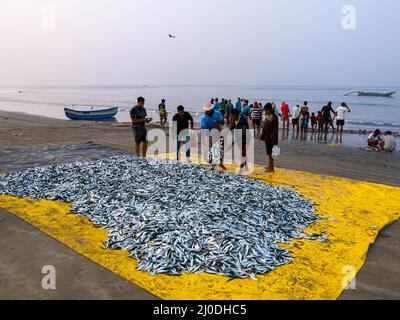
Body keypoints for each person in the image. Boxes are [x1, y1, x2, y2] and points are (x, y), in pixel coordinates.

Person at [200, 102, 227, 170]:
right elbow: (203, 128)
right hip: (210, 134)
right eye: (207, 111)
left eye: (210, 110)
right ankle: (212, 164)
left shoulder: (217, 113)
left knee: (221, 149)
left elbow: (223, 122)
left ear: (212, 109)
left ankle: (220, 163)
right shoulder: (204, 118)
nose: (208, 111)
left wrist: (219, 121)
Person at [260, 103, 279, 173]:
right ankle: (269, 166)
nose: (265, 111)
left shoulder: (274, 117)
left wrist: (275, 141)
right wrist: (263, 135)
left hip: (271, 139)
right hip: (267, 138)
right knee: (268, 153)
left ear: (270, 109)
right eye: (265, 110)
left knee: (271, 154)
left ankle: (272, 168)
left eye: (266, 110)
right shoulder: (268, 116)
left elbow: (275, 130)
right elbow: (265, 127)